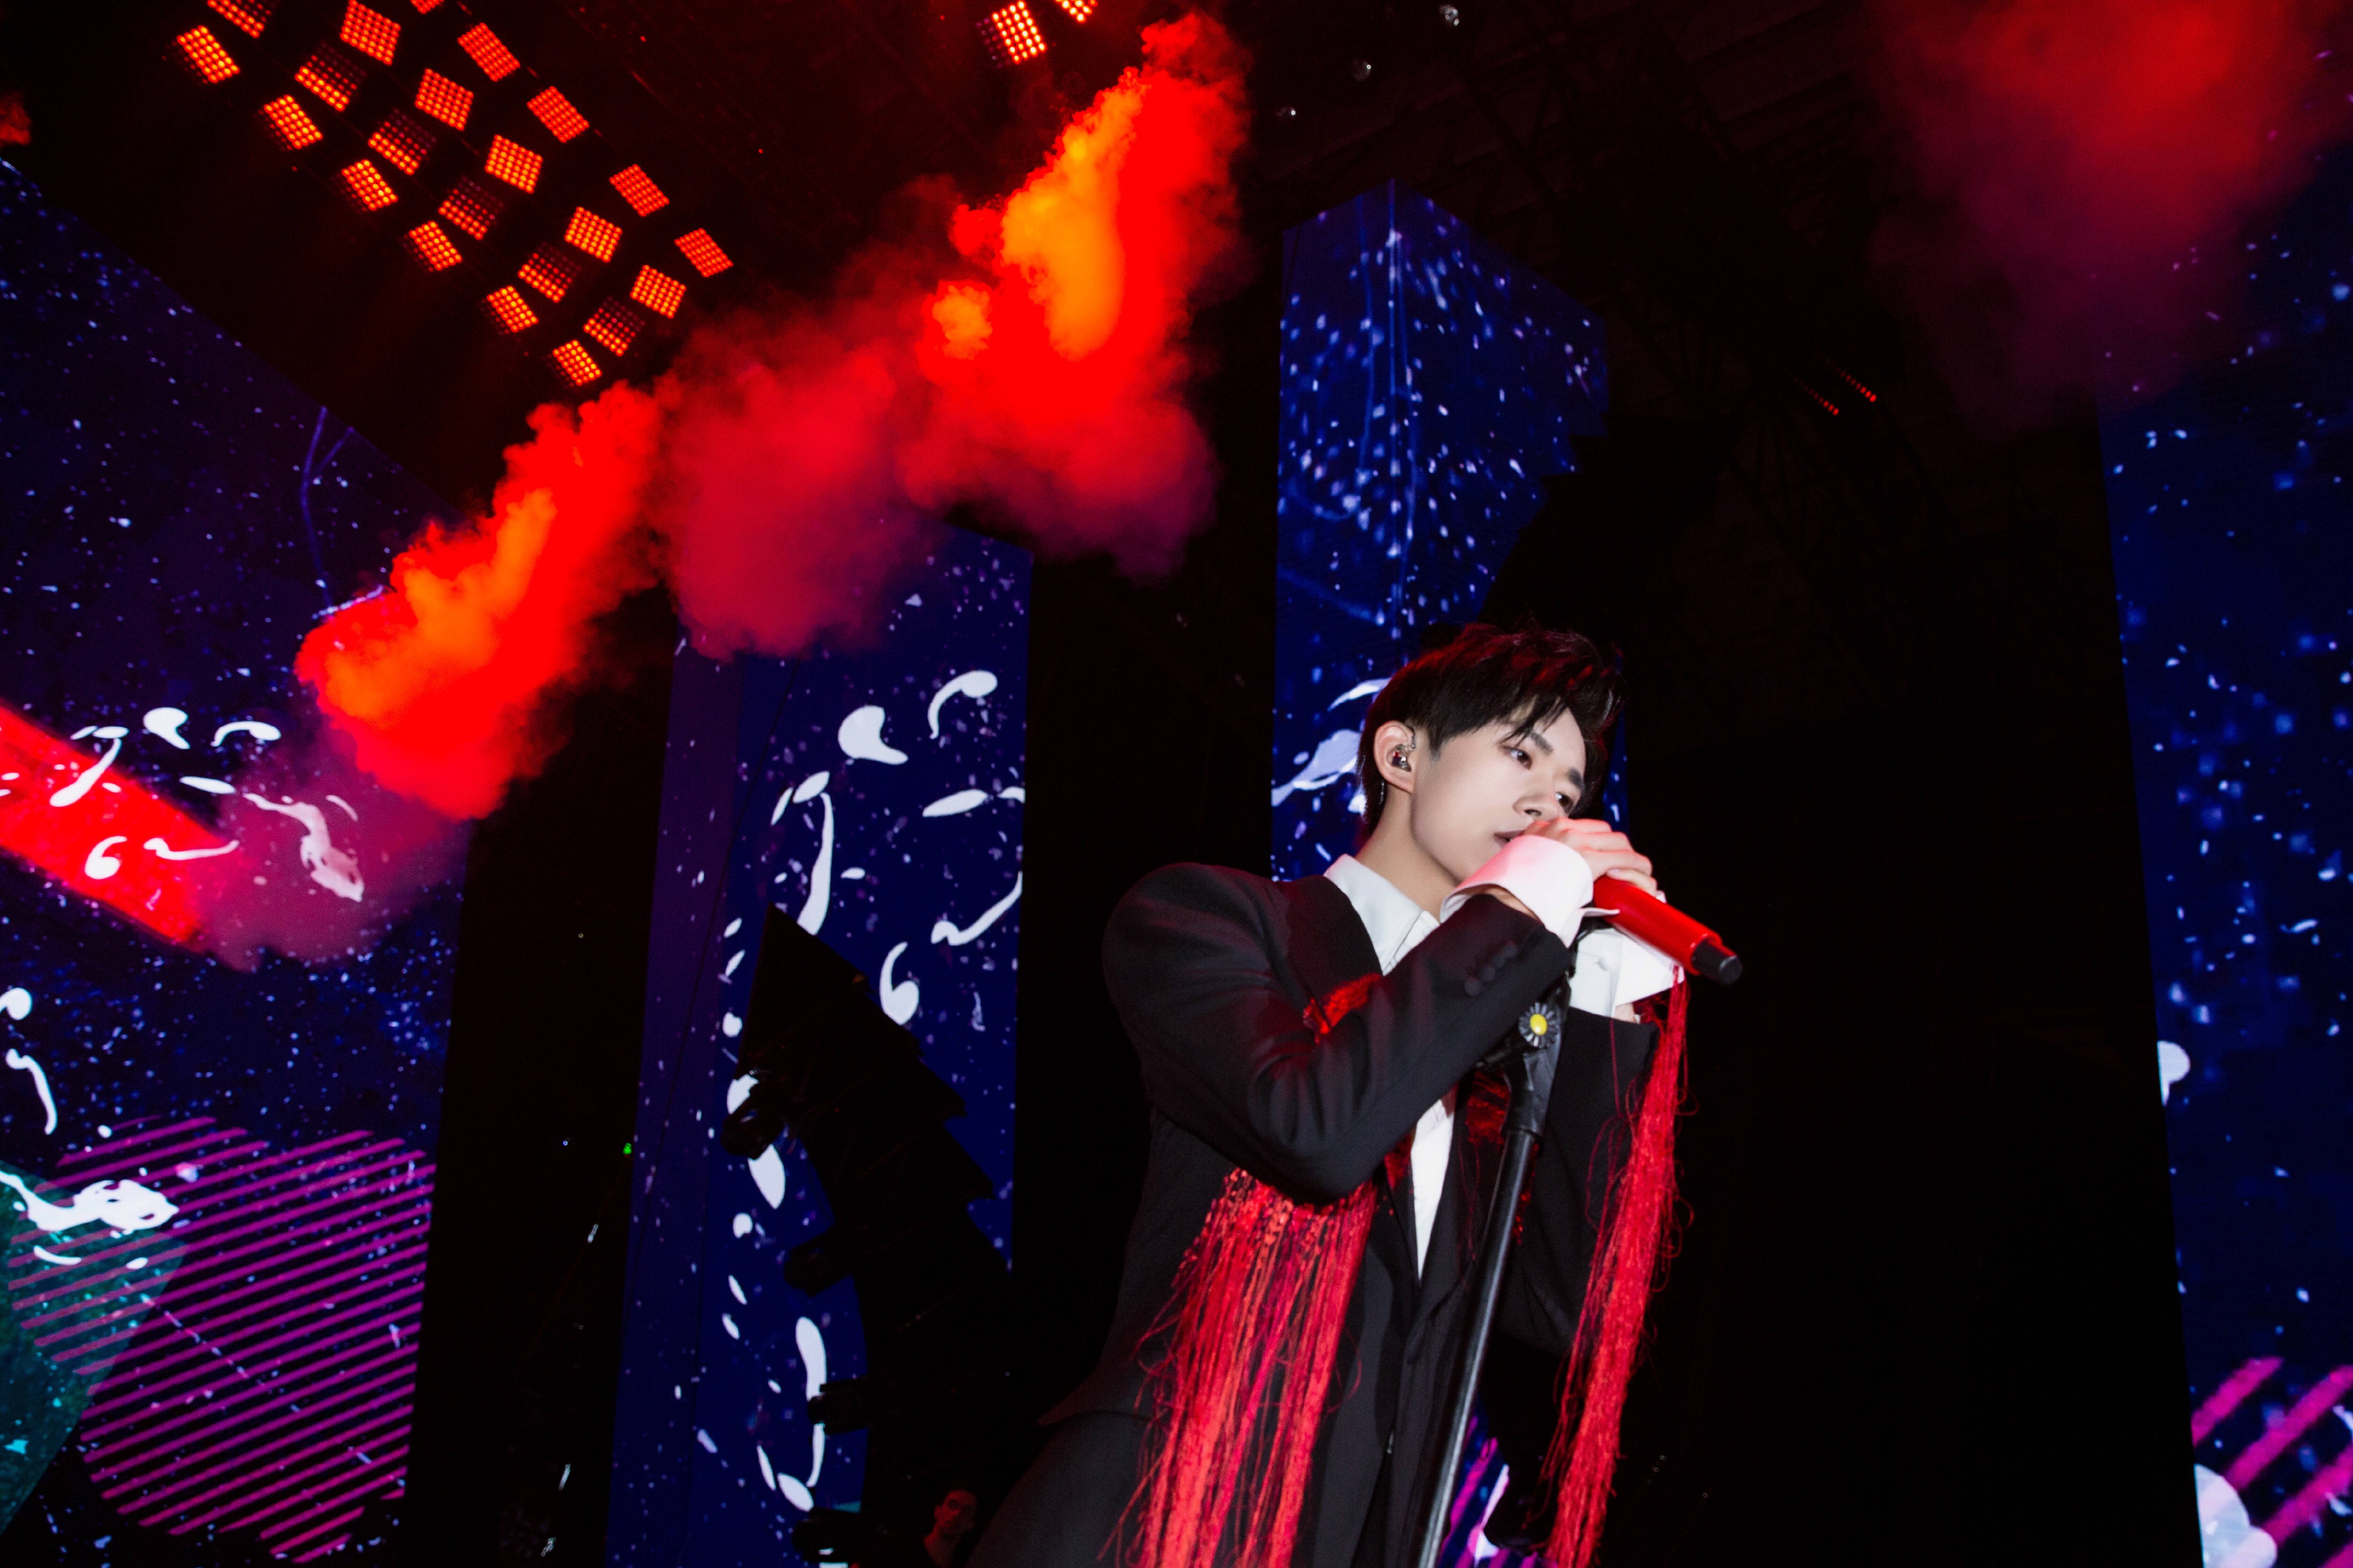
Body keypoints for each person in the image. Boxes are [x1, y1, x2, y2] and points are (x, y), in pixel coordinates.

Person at [970, 624, 1685, 1568]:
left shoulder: (1478, 1063)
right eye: (1520, 754)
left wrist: (1601, 1011)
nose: (1547, 804)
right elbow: (1316, 1130)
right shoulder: (1211, 919)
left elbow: (1568, 1305)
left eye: (1569, 790)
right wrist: (1512, 916)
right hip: (1154, 1517)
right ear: (1401, 755)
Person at [855, 1483, 982, 1568]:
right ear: (938, 1511)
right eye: (952, 1505)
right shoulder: (899, 1545)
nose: (957, 1514)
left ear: (971, 1524)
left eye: (966, 1511)